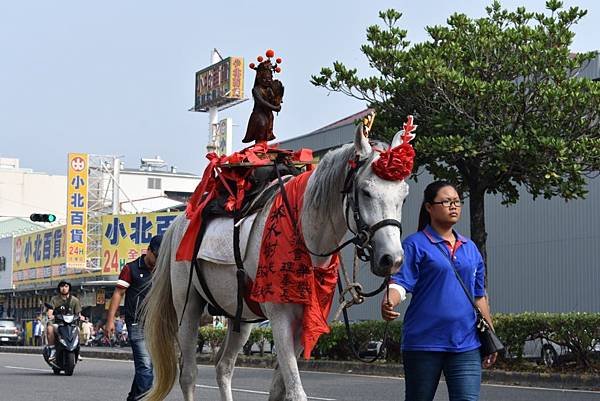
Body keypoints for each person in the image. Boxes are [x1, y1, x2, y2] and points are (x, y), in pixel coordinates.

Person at [381, 181, 497, 401]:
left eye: (456, 202)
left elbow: (479, 295)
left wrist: (489, 336)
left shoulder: (470, 248)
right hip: (424, 343)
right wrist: (389, 301)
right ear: (429, 207)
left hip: (466, 344)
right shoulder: (415, 244)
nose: (453, 206)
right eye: (446, 202)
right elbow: (400, 283)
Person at [106, 235, 162, 401]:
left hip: (157, 323)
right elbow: (118, 293)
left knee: (151, 367)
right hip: (137, 322)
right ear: (148, 251)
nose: (159, 260)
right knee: (145, 366)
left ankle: (134, 398)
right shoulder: (131, 268)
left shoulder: (163, 269)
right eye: (157, 256)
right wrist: (110, 320)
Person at [46, 281, 82, 361]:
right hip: (57, 323)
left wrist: (81, 317)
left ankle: (77, 350)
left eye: (66, 286)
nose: (64, 288)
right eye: (62, 286)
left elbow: (78, 313)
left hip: (70, 324)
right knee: (49, 329)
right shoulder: (54, 299)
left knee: (78, 330)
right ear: (59, 288)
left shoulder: (74, 300)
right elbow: (50, 310)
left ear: (69, 288)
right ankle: (53, 350)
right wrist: (50, 315)